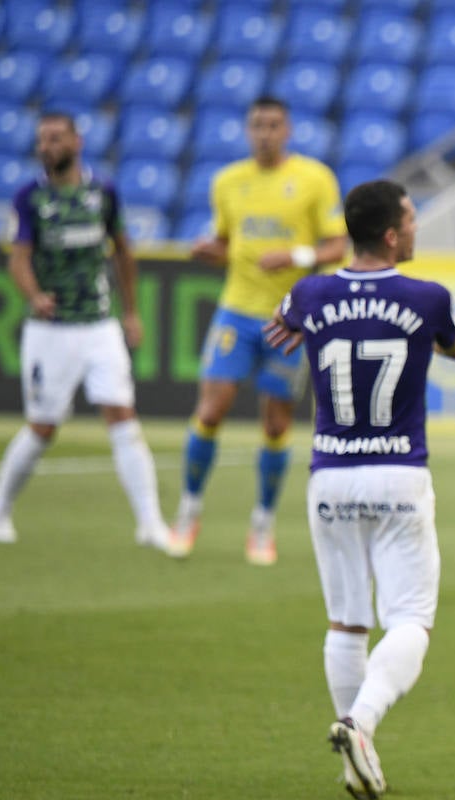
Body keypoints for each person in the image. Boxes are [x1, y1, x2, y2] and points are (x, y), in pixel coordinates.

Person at [264, 180, 455, 800]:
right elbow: (452, 347)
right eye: (409, 220)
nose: (414, 229)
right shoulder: (427, 296)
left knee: (346, 621)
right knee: (410, 618)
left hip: (330, 474)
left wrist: (302, 317)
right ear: (389, 233)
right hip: (399, 471)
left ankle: (355, 755)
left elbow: (283, 327)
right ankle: (361, 722)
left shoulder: (310, 293)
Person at [168, 95, 347, 565]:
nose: (265, 133)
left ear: (287, 130)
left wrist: (295, 257)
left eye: (273, 125)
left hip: (287, 319)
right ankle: (188, 512)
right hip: (236, 311)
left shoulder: (313, 179)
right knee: (210, 411)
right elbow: (228, 242)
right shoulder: (228, 182)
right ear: (248, 131)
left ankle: (262, 525)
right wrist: (211, 250)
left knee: (275, 422)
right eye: (257, 126)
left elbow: (337, 245)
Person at [0, 112, 167, 549]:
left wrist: (132, 312)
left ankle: (150, 523)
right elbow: (19, 258)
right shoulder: (30, 198)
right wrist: (34, 296)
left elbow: (123, 252)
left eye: (55, 138)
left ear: (76, 141)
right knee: (43, 426)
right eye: (42, 139)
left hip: (99, 324)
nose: (47, 146)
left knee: (122, 416)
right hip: (51, 329)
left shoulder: (102, 192)